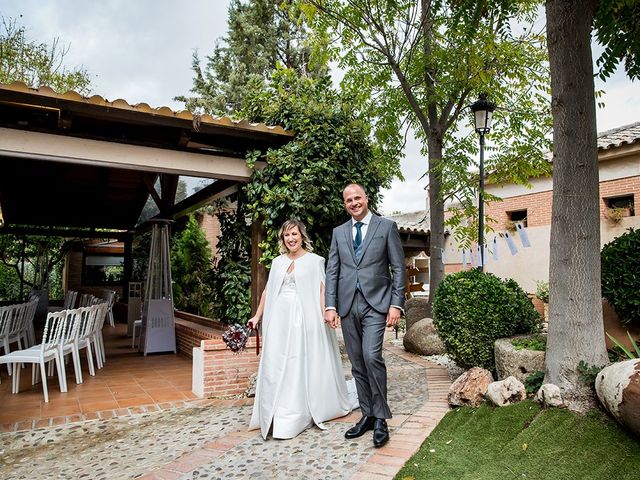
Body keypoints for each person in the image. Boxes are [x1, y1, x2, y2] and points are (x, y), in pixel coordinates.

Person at [248, 219, 354, 440]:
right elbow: (268, 291)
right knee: (278, 362)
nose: (291, 238)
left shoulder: (315, 261)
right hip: (279, 319)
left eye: (294, 234)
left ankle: (296, 411)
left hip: (304, 319)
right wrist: (257, 316)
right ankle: (276, 409)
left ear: (302, 235)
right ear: (282, 239)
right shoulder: (277, 262)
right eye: (287, 235)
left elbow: (322, 290)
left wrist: (328, 312)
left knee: (297, 360)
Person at [324, 183, 406, 448]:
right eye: (349, 199)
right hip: (348, 306)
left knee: (372, 357)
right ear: (345, 204)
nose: (354, 202)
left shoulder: (386, 227)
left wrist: (396, 304)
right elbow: (333, 271)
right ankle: (367, 414)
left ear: (366, 199)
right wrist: (330, 305)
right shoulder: (338, 232)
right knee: (357, 363)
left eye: (357, 197)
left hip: (376, 304)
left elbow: (398, 268)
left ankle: (381, 417)